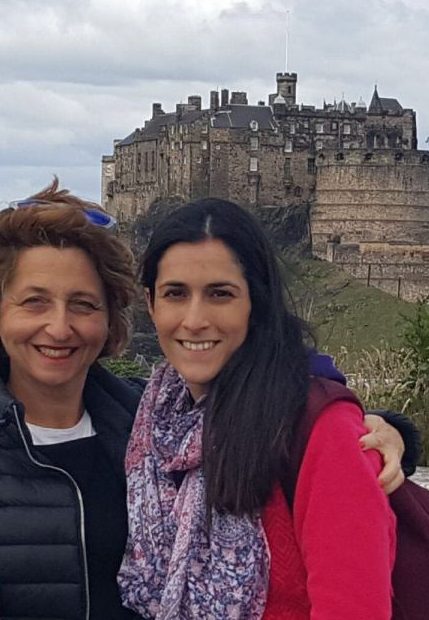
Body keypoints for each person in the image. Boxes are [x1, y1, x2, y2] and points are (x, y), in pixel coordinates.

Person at [0, 181, 412, 620]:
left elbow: (287, 417)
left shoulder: (149, 427)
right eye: (34, 302)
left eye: (83, 304)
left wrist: (387, 433)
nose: (60, 327)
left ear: (111, 319)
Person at [119, 198, 397, 620]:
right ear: (150, 303)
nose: (194, 320)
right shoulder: (154, 421)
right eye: (175, 294)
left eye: (220, 294)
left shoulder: (321, 428)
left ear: (256, 302)